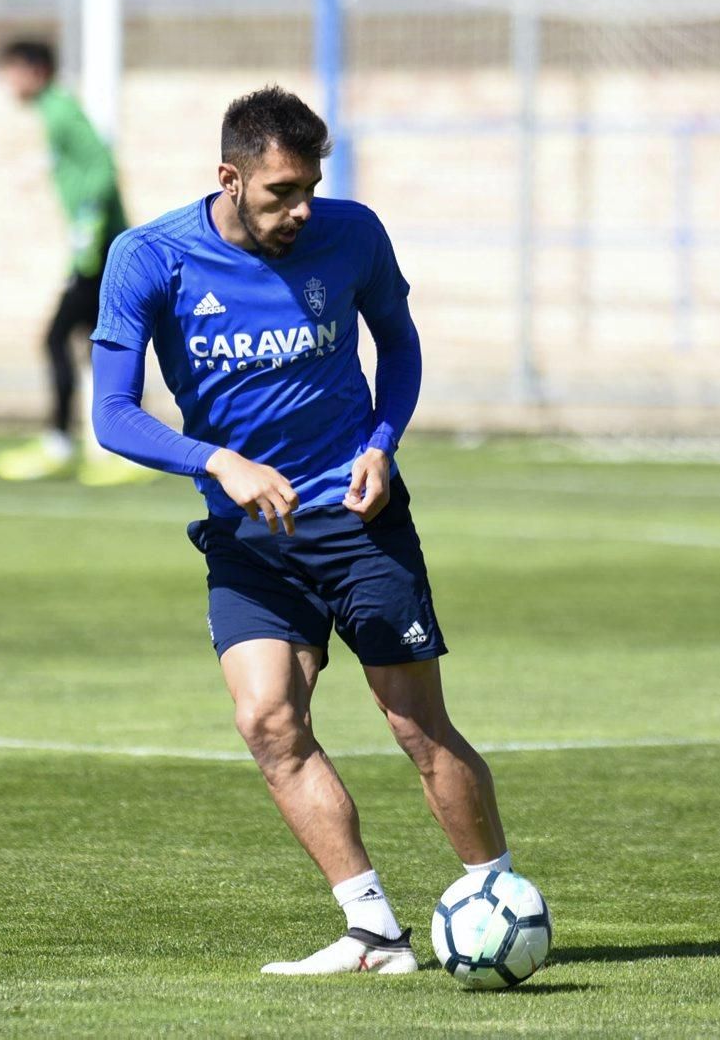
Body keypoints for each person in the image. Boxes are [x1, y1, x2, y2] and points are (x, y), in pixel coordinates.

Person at [91, 86, 511, 975]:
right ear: (229, 177)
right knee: (269, 721)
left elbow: (397, 346)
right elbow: (113, 416)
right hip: (248, 534)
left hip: (358, 521)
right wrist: (217, 461)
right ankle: (373, 933)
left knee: (415, 724)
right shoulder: (150, 257)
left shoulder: (353, 234)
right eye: (282, 191)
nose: (302, 207)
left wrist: (383, 443)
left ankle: (498, 896)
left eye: (311, 185)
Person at [0, 39, 144, 486]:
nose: (7, 82)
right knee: (96, 345)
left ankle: (68, 442)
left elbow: (101, 169)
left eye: (12, 72)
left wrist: (86, 240)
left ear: (36, 70)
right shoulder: (53, 111)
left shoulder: (60, 111)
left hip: (100, 253)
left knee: (59, 338)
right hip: (100, 250)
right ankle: (113, 448)